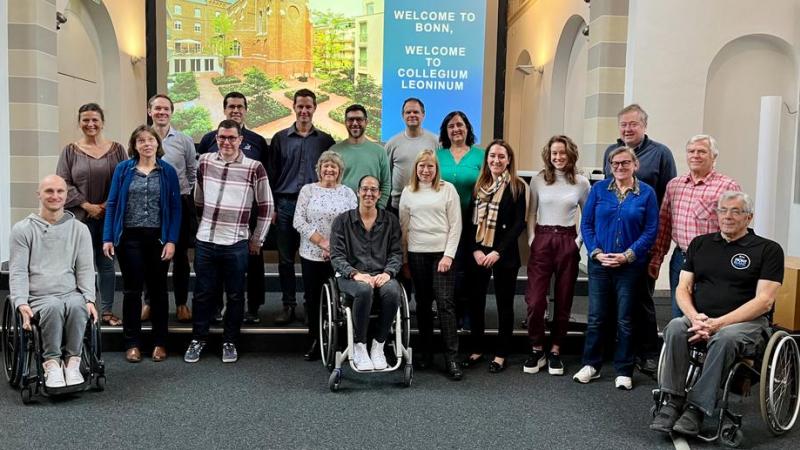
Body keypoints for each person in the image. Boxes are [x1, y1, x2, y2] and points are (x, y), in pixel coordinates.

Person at [650, 191, 783, 436]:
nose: (728, 216)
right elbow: (683, 288)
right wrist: (693, 316)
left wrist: (718, 324)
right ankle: (673, 400)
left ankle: (697, 408)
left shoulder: (768, 249)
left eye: (736, 211)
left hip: (747, 324)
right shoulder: (700, 244)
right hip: (701, 318)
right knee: (675, 327)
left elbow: (764, 301)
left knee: (724, 338)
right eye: (723, 210)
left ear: (749, 217)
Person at [184, 120, 274, 364]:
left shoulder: (254, 167)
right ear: (216, 139)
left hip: (236, 243)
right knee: (203, 294)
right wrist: (206, 224)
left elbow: (266, 207)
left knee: (235, 296)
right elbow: (198, 198)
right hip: (206, 241)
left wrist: (257, 239)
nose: (226, 142)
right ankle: (198, 339)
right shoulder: (204, 161)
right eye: (222, 137)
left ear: (240, 140)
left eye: (232, 138)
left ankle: (230, 341)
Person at [574, 146, 658, 390]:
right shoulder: (599, 190)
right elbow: (587, 225)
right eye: (615, 164)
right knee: (597, 317)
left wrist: (628, 255)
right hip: (600, 265)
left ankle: (624, 369)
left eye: (624, 163)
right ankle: (591, 364)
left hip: (630, 267)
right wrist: (597, 253)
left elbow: (651, 230)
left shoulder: (647, 193)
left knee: (625, 319)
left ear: (635, 165)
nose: (619, 167)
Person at [602, 104, 677, 375]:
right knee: (616, 298)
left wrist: (659, 247)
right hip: (614, 241)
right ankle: (622, 351)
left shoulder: (661, 154)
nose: (627, 129)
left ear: (644, 126)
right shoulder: (611, 153)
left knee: (643, 298)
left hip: (645, 240)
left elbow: (668, 201)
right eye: (623, 124)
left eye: (633, 124)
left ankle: (647, 353)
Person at [9, 175, 98, 388]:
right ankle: (51, 364)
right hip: (39, 295)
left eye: (60, 191)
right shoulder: (23, 229)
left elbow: (85, 269)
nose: (55, 196)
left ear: (67, 196)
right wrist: (20, 302)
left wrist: (89, 298)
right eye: (49, 191)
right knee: (53, 307)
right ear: (39, 194)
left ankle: (73, 363)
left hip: (70, 292)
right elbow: (18, 271)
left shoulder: (80, 229)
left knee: (78, 307)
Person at [102, 125, 182, 363]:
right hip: (129, 239)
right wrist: (108, 237)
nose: (147, 144)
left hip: (158, 238)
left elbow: (176, 208)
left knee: (158, 291)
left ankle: (160, 343)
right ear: (134, 146)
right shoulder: (123, 170)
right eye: (141, 141)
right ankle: (132, 343)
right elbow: (113, 203)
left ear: (158, 144)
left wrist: (172, 240)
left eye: (151, 140)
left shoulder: (167, 171)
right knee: (132, 290)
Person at [649, 135, 741, 318]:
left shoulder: (727, 186)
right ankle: (680, 348)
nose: (695, 155)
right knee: (679, 315)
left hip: (713, 259)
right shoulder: (675, 186)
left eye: (702, 151)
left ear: (714, 157)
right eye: (691, 151)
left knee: (709, 314)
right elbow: (665, 225)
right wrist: (656, 258)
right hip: (681, 259)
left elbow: (737, 226)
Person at [198, 91, 269, 324]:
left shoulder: (257, 141)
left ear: (246, 110)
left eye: (240, 106)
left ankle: (254, 307)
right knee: (218, 268)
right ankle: (217, 307)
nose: (236, 110)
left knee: (254, 261)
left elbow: (265, 179)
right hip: (218, 219)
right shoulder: (210, 139)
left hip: (248, 215)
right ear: (224, 109)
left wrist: (265, 218)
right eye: (231, 106)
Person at [268, 89, 336, 325]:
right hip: (286, 205)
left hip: (315, 208)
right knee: (286, 259)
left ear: (315, 108)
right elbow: (272, 174)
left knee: (313, 260)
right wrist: (274, 208)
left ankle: (311, 305)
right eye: (300, 106)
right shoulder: (279, 138)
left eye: (308, 106)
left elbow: (332, 175)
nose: (304, 111)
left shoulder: (326, 140)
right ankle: (288, 305)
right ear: (294, 107)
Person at [523, 135, 590, 376]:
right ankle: (537, 347)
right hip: (542, 238)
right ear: (548, 156)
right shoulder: (539, 180)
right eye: (554, 153)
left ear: (570, 154)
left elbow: (587, 216)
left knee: (563, 299)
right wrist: (532, 239)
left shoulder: (582, 183)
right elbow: (531, 213)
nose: (558, 157)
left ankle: (555, 350)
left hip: (567, 241)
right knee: (535, 300)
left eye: (562, 153)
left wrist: (578, 243)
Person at [56, 103, 127, 327]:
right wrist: (87, 205)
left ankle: (106, 311)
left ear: (102, 122)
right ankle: (81, 310)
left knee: (106, 264)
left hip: (109, 216)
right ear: (79, 123)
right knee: (79, 265)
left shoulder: (117, 149)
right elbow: (63, 182)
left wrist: (106, 205)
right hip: (79, 218)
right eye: (85, 120)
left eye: (95, 120)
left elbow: (125, 179)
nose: (90, 124)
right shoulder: (70, 150)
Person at [462, 139, 528, 373]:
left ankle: (501, 353)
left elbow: (519, 223)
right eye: (492, 156)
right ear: (486, 159)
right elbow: (470, 222)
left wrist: (497, 252)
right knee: (476, 303)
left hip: (504, 254)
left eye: (501, 156)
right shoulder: (479, 185)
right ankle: (477, 348)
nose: (496, 160)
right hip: (478, 252)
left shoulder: (517, 187)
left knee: (504, 305)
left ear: (509, 160)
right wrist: (476, 250)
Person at [399, 150, 462, 380]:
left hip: (441, 255)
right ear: (416, 168)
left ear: (437, 169)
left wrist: (449, 256)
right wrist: (405, 260)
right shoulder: (408, 191)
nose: (426, 171)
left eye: (430, 167)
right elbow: (403, 229)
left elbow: (456, 226)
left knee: (445, 304)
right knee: (423, 305)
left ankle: (451, 358)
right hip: (417, 254)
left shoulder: (448, 190)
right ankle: (425, 353)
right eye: (422, 166)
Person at [329, 175, 404, 371]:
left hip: (381, 274)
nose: (368, 193)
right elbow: (336, 257)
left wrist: (388, 273)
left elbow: (396, 253)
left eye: (373, 190)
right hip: (351, 277)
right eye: (364, 189)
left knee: (393, 292)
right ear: (358, 192)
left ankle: (378, 345)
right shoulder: (342, 221)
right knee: (363, 290)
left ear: (379, 194)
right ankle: (360, 345)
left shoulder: (390, 221)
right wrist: (355, 274)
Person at [292, 151, 357, 361]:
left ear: (340, 171)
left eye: (334, 166)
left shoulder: (348, 193)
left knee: (343, 300)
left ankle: (342, 343)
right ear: (318, 169)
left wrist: (334, 248)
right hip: (311, 254)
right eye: (325, 166)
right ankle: (316, 340)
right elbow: (298, 221)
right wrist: (322, 242)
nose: (329, 170)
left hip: (341, 256)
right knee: (313, 300)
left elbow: (354, 224)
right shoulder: (307, 190)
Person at [144, 93, 197, 323]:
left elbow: (192, 172)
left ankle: (182, 303)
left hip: (179, 204)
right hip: (151, 204)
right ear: (150, 111)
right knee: (152, 256)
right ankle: (149, 302)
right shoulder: (143, 138)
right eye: (157, 109)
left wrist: (181, 194)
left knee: (181, 256)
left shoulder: (183, 140)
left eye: (166, 109)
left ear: (171, 112)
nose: (162, 113)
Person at [436, 111, 484, 330]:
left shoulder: (480, 156)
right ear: (446, 131)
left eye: (460, 125)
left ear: (467, 128)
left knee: (468, 270)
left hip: (473, 222)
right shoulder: (438, 156)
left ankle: (467, 314)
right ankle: (449, 313)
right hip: (442, 223)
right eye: (451, 126)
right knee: (449, 268)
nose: (456, 129)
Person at [385, 97, 439, 215]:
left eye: (416, 112)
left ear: (423, 115)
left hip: (427, 204)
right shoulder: (392, 143)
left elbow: (440, 172)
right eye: (408, 112)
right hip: (397, 206)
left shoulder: (435, 141)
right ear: (402, 115)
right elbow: (386, 176)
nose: (412, 115)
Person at [330, 104, 391, 208]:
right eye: (350, 119)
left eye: (359, 119)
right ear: (345, 122)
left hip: (371, 212)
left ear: (366, 122)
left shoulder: (379, 151)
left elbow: (385, 184)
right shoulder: (334, 151)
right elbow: (329, 183)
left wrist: (379, 208)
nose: (355, 123)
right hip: (342, 213)